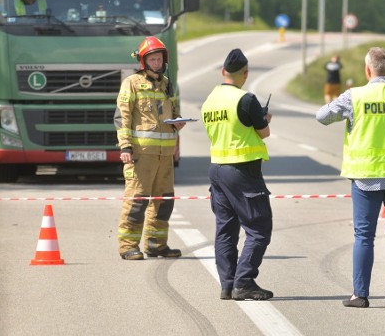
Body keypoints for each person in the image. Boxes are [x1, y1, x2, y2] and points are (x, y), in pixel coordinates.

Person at [316, 47, 385, 308]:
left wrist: (340, 110)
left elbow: (321, 117)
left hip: (365, 177)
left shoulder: (354, 96)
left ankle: (360, 295)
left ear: (368, 70)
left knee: (364, 236)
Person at [201, 48, 275, 300]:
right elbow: (263, 132)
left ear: (223, 72)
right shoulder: (246, 99)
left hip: (216, 170)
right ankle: (244, 282)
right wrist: (265, 119)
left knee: (225, 230)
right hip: (242, 170)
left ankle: (227, 284)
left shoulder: (209, 100)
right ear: (245, 73)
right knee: (259, 228)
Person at [115, 37, 185, 260]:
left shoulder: (167, 84)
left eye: (159, 59)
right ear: (144, 61)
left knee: (164, 202)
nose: (156, 63)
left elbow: (173, 115)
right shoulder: (132, 83)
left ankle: (156, 245)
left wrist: (178, 122)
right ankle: (128, 246)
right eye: (152, 59)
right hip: (141, 155)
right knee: (137, 201)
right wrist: (125, 146)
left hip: (165, 155)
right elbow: (121, 117)